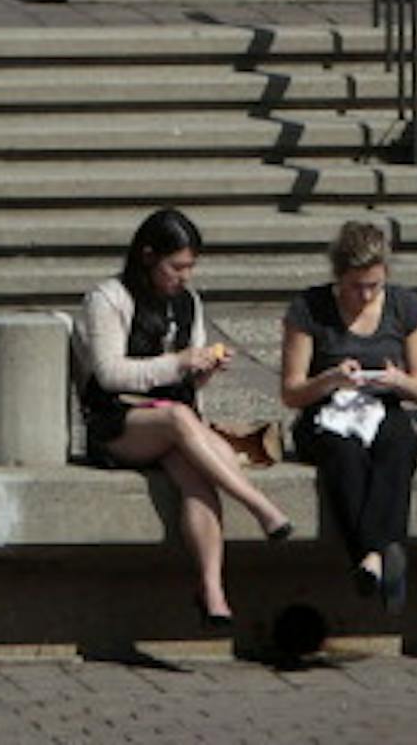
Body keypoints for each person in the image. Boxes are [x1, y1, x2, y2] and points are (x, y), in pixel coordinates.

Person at [73, 208, 295, 628]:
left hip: (174, 420)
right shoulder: (107, 299)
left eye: (191, 267)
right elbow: (109, 373)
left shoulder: (188, 302)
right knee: (178, 420)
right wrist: (177, 362)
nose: (184, 277)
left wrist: (203, 369)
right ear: (147, 256)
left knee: (198, 477)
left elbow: (188, 385)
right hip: (120, 421)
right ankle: (260, 506)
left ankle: (212, 590)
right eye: (176, 267)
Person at [278, 222, 417, 615]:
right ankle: (381, 548)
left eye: (373, 286)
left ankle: (369, 558)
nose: (364, 295)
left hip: (384, 404)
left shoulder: (405, 307)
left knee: (399, 444)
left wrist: (395, 379)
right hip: (328, 410)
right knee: (344, 456)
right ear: (338, 278)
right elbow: (292, 392)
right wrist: (331, 377)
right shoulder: (309, 309)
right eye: (355, 286)